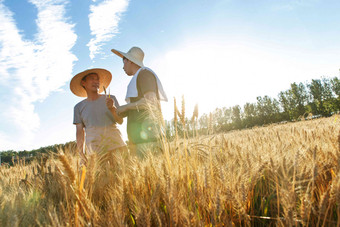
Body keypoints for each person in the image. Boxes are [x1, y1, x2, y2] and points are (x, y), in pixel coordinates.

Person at [111, 47, 167, 157]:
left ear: (129, 60)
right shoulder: (138, 78)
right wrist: (115, 109)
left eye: (123, 61)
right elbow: (137, 108)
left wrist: (126, 107)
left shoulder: (144, 74)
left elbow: (151, 103)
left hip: (148, 141)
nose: (123, 66)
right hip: (138, 142)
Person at [70, 68, 127, 161]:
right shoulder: (78, 107)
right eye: (92, 78)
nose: (96, 81)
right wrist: (81, 153)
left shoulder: (110, 98)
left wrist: (112, 108)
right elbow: (80, 132)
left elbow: (120, 121)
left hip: (117, 147)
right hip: (95, 153)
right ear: (83, 83)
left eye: (97, 79)